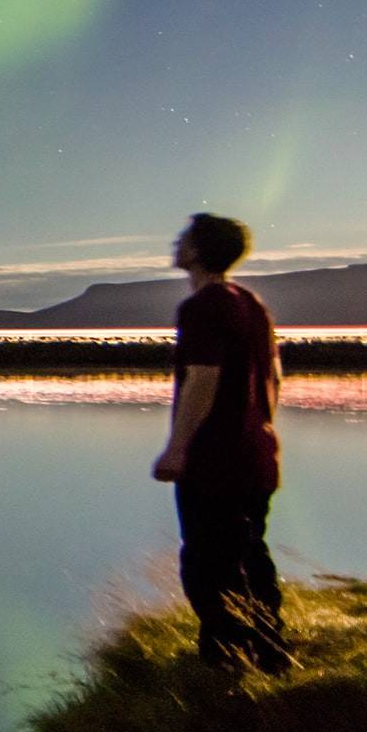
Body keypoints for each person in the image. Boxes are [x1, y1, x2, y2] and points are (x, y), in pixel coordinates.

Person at [151, 213, 290, 672]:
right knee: (251, 557)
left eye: (184, 236)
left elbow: (202, 381)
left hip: (215, 463)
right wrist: (260, 426)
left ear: (198, 250)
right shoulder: (251, 303)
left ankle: (226, 665)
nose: (176, 241)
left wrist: (177, 448)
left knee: (207, 569)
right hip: (257, 457)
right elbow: (274, 376)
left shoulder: (202, 307)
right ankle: (270, 652)